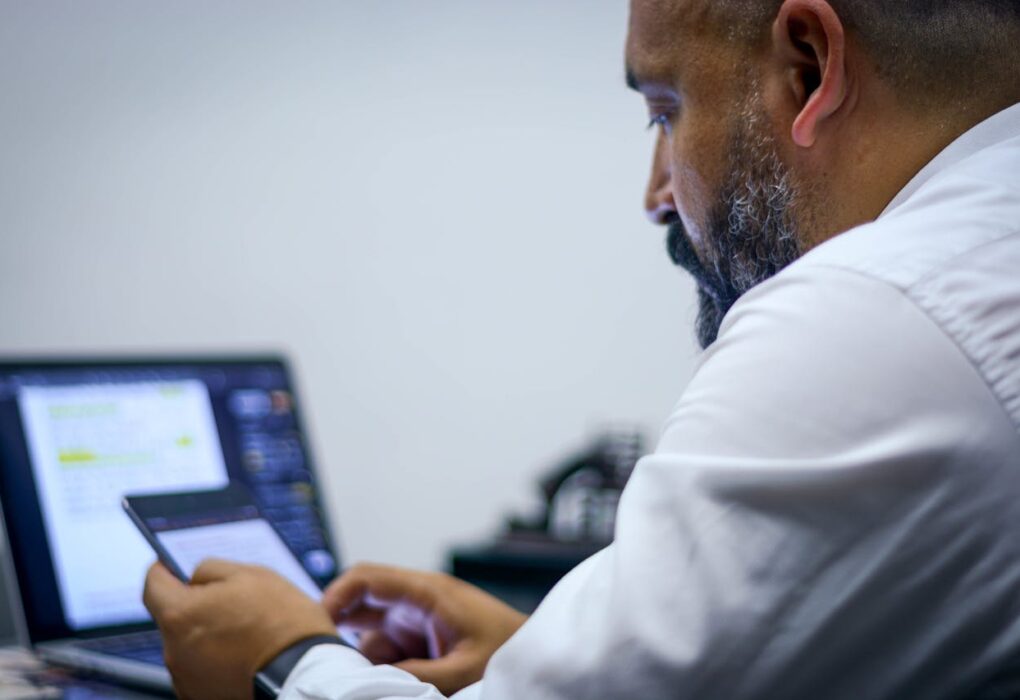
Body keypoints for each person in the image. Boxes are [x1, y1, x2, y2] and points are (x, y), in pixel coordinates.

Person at [142, 0, 1020, 697]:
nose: (654, 193)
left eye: (665, 111)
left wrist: (284, 661)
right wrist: (543, 659)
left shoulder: (881, 309)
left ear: (808, 65)